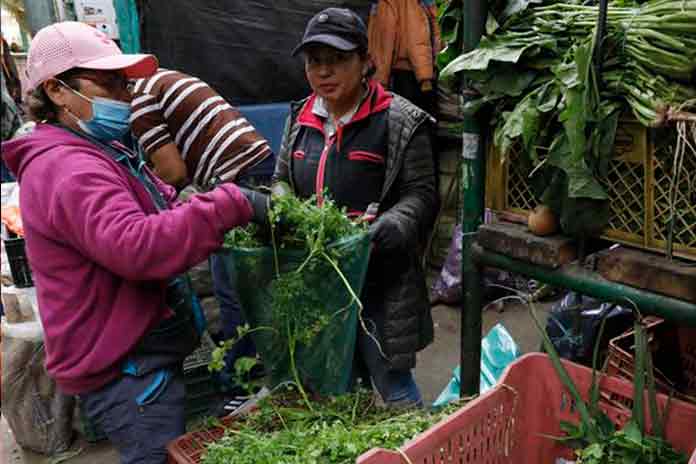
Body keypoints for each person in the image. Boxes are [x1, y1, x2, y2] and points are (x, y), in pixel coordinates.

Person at [0, 22, 265, 463]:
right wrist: (228, 203)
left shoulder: (92, 152)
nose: (123, 95)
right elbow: (137, 246)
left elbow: (146, 216)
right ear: (57, 91)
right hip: (129, 369)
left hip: (136, 357)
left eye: (123, 83)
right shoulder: (70, 169)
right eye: (105, 83)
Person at [272, 7, 438, 407]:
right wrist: (283, 205)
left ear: (366, 62)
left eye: (338, 60)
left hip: (378, 279)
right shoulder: (300, 115)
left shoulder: (399, 119)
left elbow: (423, 194)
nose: (324, 72)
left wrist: (395, 224)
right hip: (321, 278)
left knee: (391, 380)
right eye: (315, 63)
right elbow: (280, 178)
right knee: (340, 381)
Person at [129, 68, 274, 408]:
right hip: (254, 163)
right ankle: (257, 374)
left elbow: (173, 171)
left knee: (234, 289)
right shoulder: (156, 80)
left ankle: (238, 386)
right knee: (256, 284)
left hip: (239, 178)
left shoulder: (137, 100)